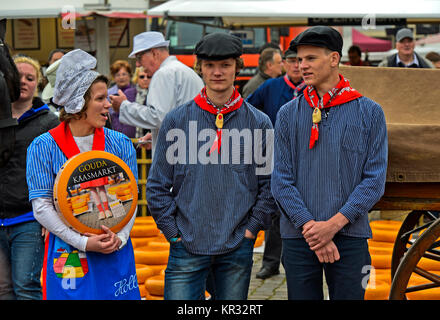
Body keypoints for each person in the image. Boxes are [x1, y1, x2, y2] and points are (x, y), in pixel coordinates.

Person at [146, 32, 276, 300]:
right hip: (186, 244)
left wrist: (251, 230)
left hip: (237, 245)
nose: (217, 73)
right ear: (200, 68)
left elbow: (269, 184)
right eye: (210, 66)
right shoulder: (177, 120)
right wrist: (173, 233)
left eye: (225, 65)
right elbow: (157, 184)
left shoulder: (259, 123)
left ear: (237, 67)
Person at [271, 26, 388, 300]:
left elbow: (373, 180)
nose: (302, 66)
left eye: (310, 58)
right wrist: (312, 228)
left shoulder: (370, 112)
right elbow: (280, 180)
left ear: (334, 59)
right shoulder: (288, 114)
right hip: (300, 237)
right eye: (299, 60)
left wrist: (332, 226)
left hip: (350, 235)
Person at [26, 49, 140, 300]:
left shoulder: (120, 143)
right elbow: (41, 206)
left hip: (115, 246)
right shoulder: (43, 146)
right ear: (78, 103)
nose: (109, 104)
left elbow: (131, 197)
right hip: (70, 252)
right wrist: (83, 243)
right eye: (100, 99)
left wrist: (119, 238)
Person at [0, 55, 59, 300]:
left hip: (30, 218)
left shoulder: (49, 122)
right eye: (18, 77)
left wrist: (52, 214)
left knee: (26, 286)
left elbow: (59, 171)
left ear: (39, 83)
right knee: (3, 289)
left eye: (30, 77)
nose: (23, 82)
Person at [246, 48, 305, 280]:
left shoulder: (313, 89)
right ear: (284, 64)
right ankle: (271, 262)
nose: (296, 66)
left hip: (306, 156)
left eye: (300, 61)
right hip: (273, 157)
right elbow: (247, 108)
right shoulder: (271, 87)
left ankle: (300, 262)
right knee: (275, 210)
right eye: (291, 61)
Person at [110, 31, 204, 154]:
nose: (138, 65)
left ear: (154, 53)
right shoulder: (185, 71)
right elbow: (173, 117)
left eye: (139, 58)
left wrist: (124, 106)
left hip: (177, 155)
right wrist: (156, 135)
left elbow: (158, 116)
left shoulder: (164, 73)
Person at [108, 60, 137, 138]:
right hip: (115, 133)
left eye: (124, 74)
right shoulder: (108, 93)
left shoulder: (136, 91)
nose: (121, 77)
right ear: (114, 77)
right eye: (118, 75)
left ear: (130, 75)